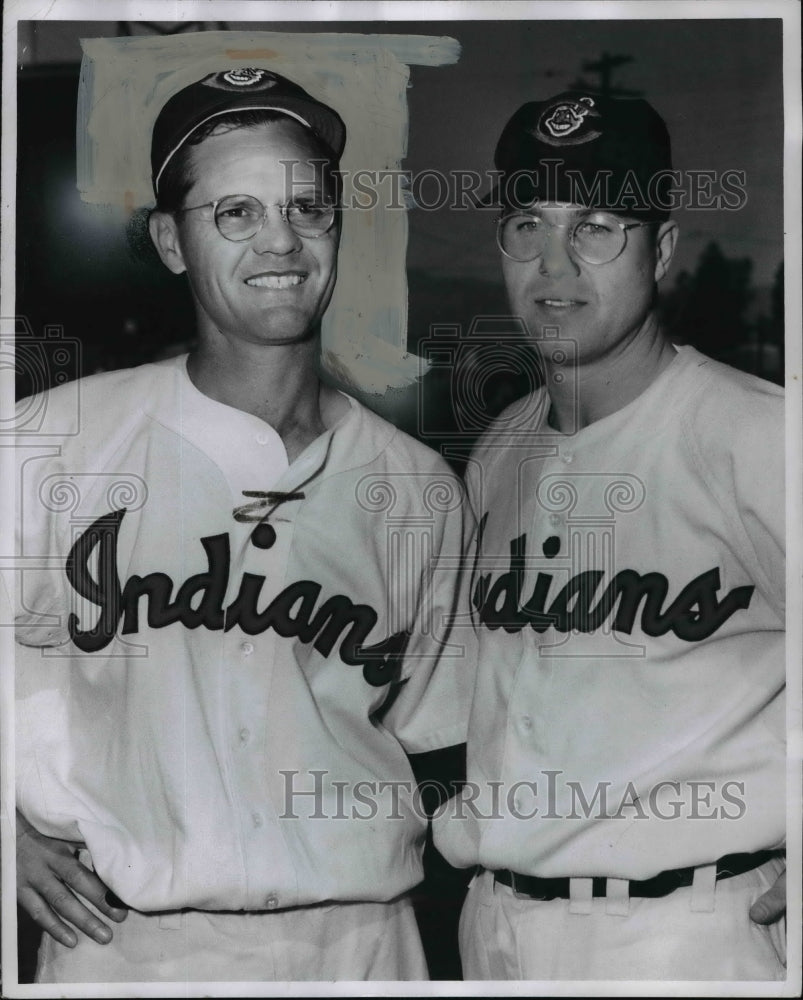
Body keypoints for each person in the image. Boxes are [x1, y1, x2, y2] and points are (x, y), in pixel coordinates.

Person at [14, 67, 471, 983]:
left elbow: (441, 746)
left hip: (360, 943)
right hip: (122, 943)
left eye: (308, 209)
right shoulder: (50, 446)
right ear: (169, 242)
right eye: (235, 213)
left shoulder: (416, 487)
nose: (282, 242)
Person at [432, 91, 788, 980]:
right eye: (527, 226)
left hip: (684, 930)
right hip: (495, 926)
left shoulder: (755, 434)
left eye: (596, 227)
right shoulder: (499, 451)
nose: (555, 265)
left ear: (660, 250)